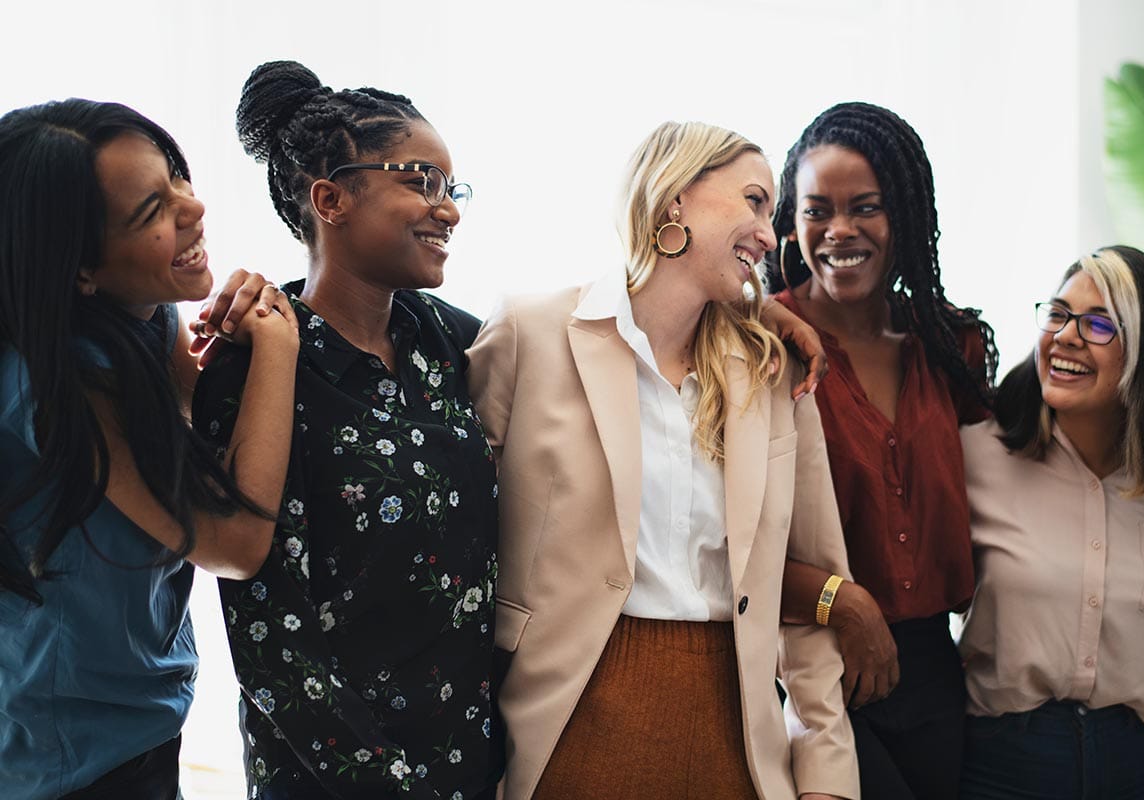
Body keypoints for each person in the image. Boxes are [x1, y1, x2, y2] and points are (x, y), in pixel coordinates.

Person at [467, 120, 857, 800]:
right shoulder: (531, 334)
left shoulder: (774, 373)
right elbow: (454, 536)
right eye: (755, 202)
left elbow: (812, 584)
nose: (771, 235)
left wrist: (825, 773)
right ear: (676, 197)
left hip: (735, 748)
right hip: (567, 737)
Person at [191, 60, 503, 800]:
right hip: (327, 774)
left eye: (451, 188)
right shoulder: (255, 366)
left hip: (472, 758)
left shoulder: (454, 344)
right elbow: (270, 639)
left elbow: (597, 342)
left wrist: (774, 305)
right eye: (420, 181)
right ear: (330, 199)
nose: (448, 209)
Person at [0, 99, 298, 799]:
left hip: (133, 718)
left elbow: (180, 415)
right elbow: (233, 541)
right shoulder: (64, 382)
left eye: (175, 178)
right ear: (80, 270)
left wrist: (228, 338)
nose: (192, 208)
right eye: (151, 213)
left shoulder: (142, 309)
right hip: (69, 755)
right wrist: (277, 345)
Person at [765, 101, 998, 800]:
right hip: (809, 660)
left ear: (906, 215)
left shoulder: (951, 347)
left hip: (932, 667)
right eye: (816, 211)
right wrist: (846, 603)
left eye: (864, 208)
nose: (839, 232)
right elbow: (725, 538)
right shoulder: (760, 343)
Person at [958, 246, 1144, 799]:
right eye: (1059, 315)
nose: (1066, 336)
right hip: (1005, 767)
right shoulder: (976, 456)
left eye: (1098, 324)